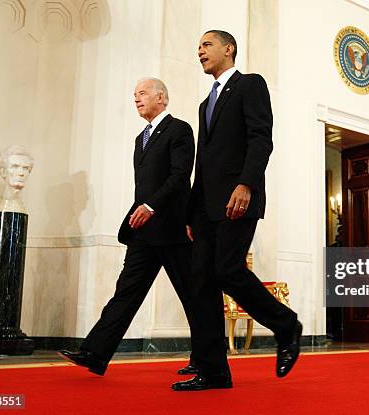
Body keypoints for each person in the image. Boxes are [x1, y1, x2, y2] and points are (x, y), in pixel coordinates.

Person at [172, 30, 302, 392]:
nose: (199, 51)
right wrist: (190, 213)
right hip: (205, 208)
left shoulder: (250, 85)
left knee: (228, 270)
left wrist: (246, 184)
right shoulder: (204, 104)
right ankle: (213, 372)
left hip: (238, 198)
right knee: (201, 285)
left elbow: (262, 138)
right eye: (197, 46)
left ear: (228, 49)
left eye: (206, 45)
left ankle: (285, 324)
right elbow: (205, 161)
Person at [59, 77, 198, 376]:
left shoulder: (179, 129)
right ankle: (95, 354)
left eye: (143, 93)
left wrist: (150, 207)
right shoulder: (140, 138)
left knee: (193, 296)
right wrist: (142, 210)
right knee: (126, 293)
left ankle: (204, 358)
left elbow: (179, 176)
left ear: (161, 97)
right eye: (134, 95)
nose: (136, 98)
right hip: (144, 233)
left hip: (174, 230)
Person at [0, 145, 34, 213]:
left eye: (25, 168)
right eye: (15, 167)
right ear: (3, 171)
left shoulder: (21, 207)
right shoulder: (4, 206)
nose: (21, 173)